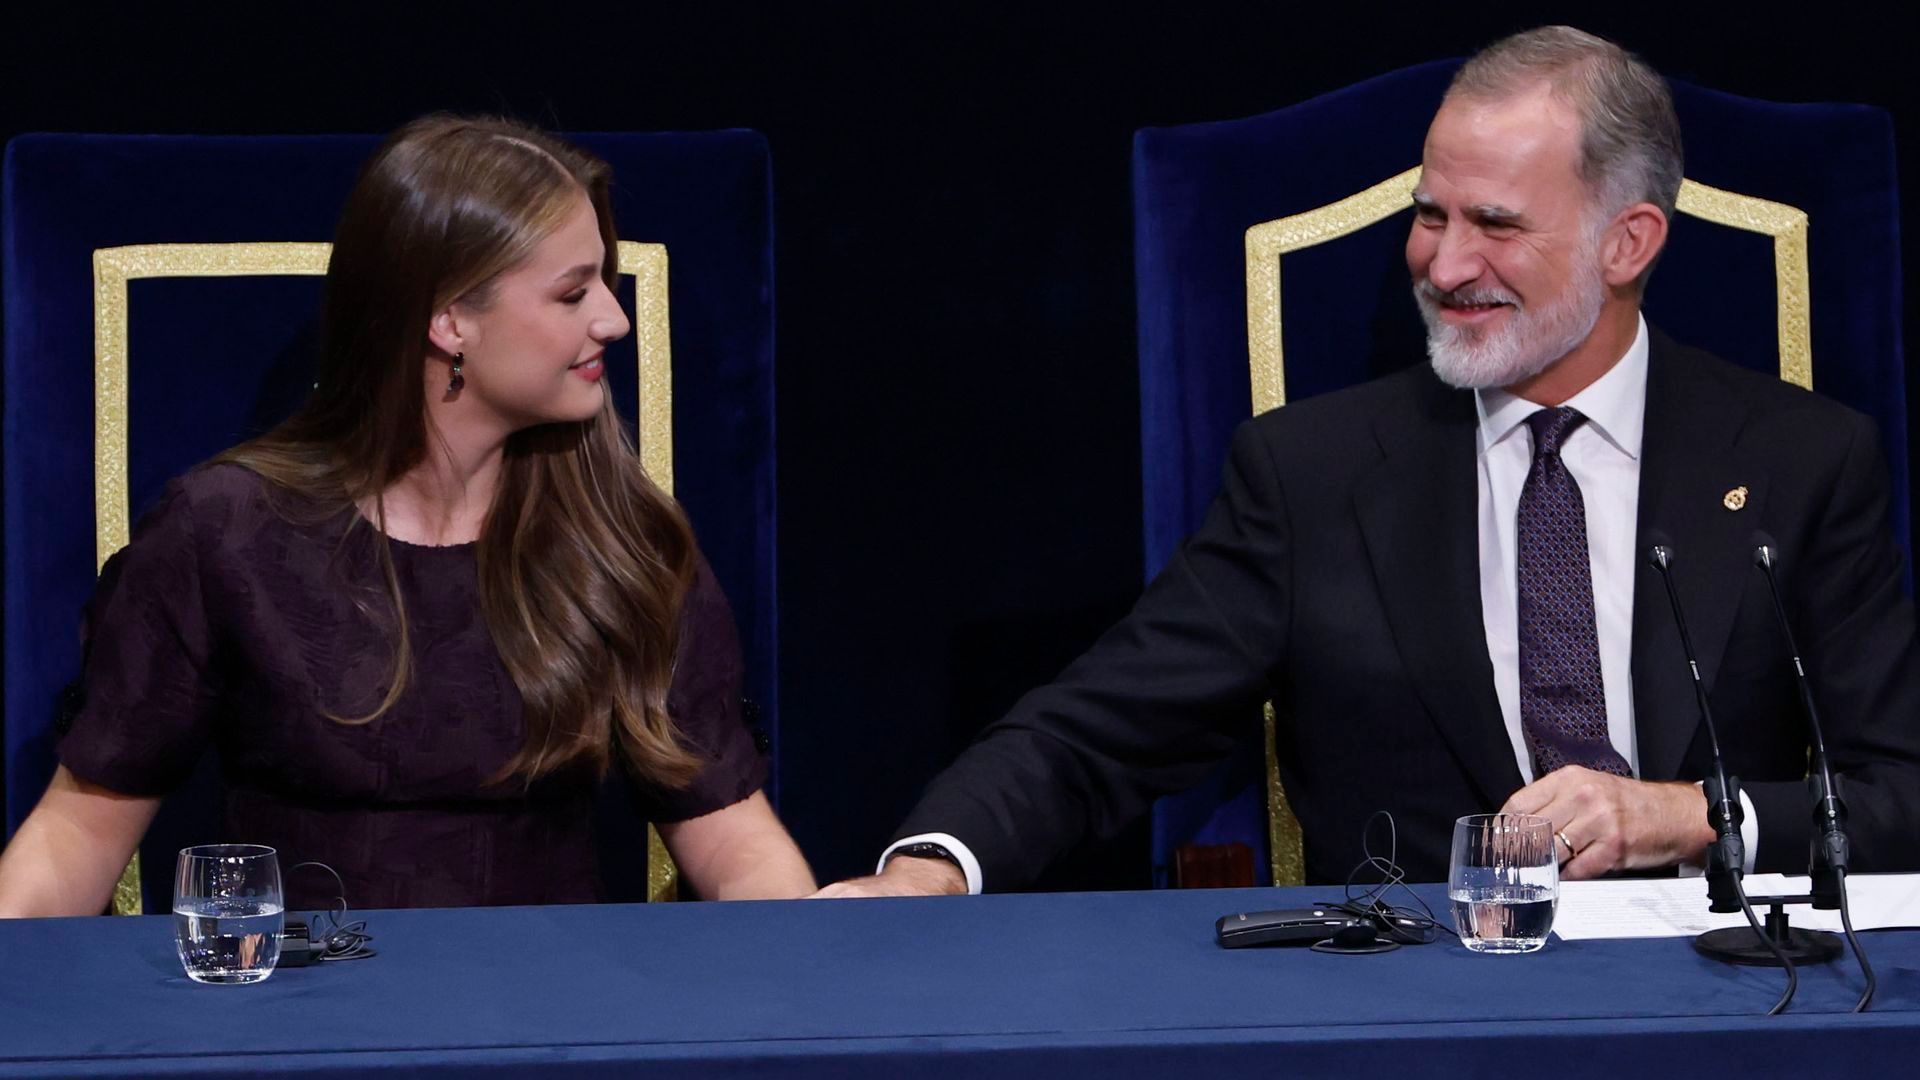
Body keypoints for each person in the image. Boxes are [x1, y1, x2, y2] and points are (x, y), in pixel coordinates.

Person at [818, 26, 1920, 898]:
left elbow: (1900, 790)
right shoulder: (1314, 474)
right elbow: (1099, 727)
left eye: (1494, 223)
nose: (1444, 264)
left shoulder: (1799, 460)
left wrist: (1693, 814)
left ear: (1627, 242)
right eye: (1428, 215)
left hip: (1730, 996)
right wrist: (930, 867)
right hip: (1424, 1006)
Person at [0, 116, 814, 915]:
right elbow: (76, 833)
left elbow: (734, 840)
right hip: (302, 1020)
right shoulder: (223, 533)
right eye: (574, 292)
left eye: (602, 281)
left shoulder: (623, 539)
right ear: (448, 318)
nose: (614, 317)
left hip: (548, 1022)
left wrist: (812, 997)